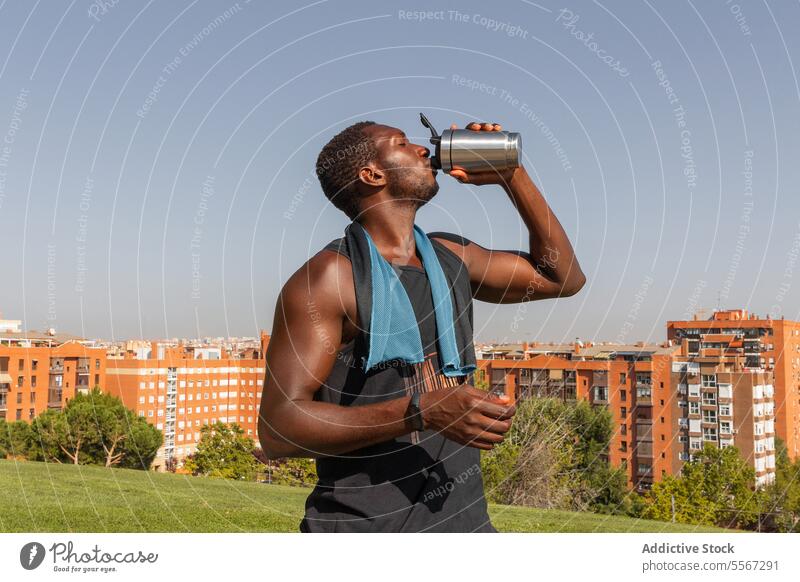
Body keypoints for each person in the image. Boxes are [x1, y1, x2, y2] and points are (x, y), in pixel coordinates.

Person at [258, 119, 586, 532]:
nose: (423, 150)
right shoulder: (328, 278)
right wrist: (420, 411)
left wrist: (511, 175)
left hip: (466, 527)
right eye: (402, 143)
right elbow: (278, 429)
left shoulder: (452, 256)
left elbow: (563, 278)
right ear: (372, 174)